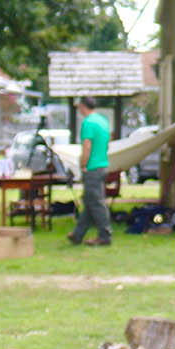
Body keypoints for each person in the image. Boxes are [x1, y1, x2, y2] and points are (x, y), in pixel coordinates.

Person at [67, 97, 113, 246]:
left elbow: (87, 145)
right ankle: (77, 234)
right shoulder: (103, 121)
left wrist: (83, 164)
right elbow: (107, 143)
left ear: (82, 106)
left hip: (92, 167)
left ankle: (105, 235)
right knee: (89, 201)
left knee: (96, 203)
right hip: (102, 164)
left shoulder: (88, 123)